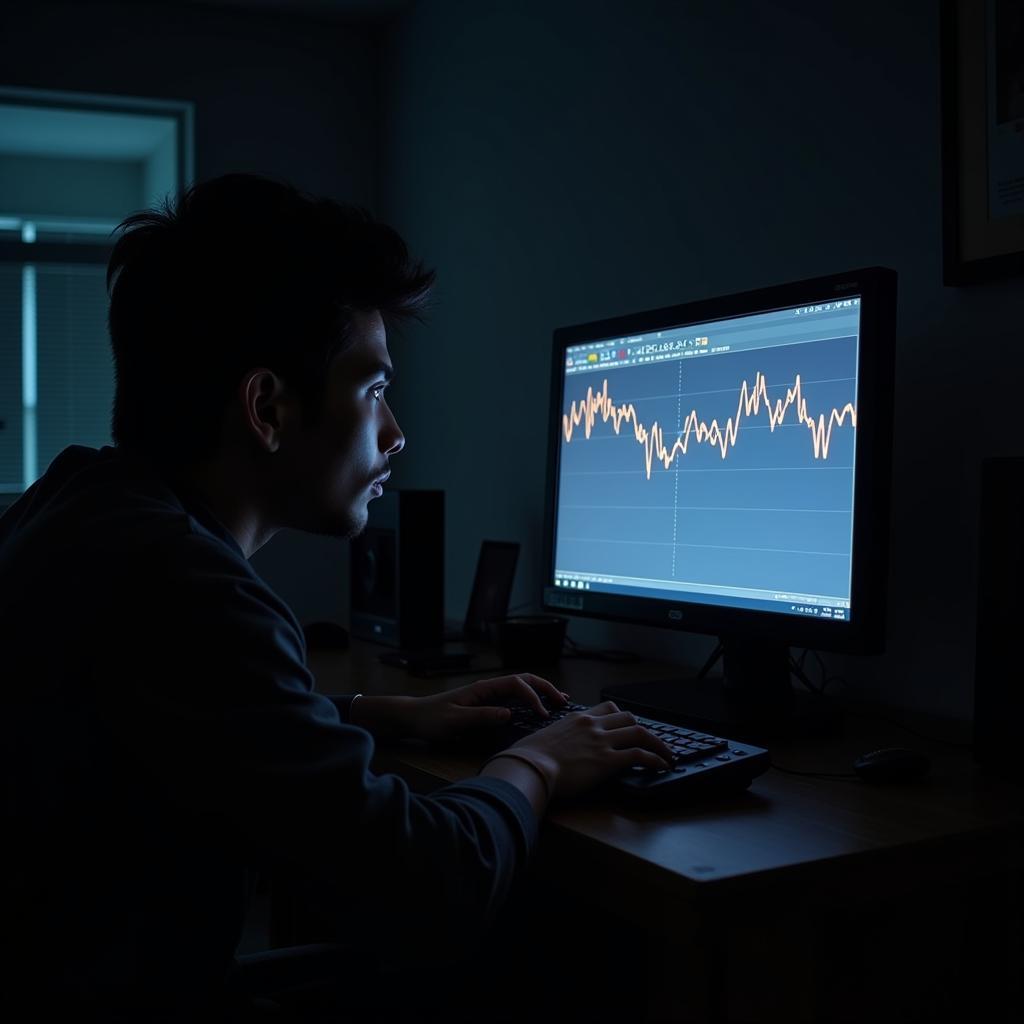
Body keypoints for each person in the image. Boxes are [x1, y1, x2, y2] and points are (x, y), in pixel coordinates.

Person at [0, 173, 674, 1021]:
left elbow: (166, 716)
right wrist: (540, 760)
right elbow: (437, 888)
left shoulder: (74, 498)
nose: (396, 434)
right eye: (374, 390)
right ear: (268, 407)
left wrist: (378, 714)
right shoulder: (188, 588)